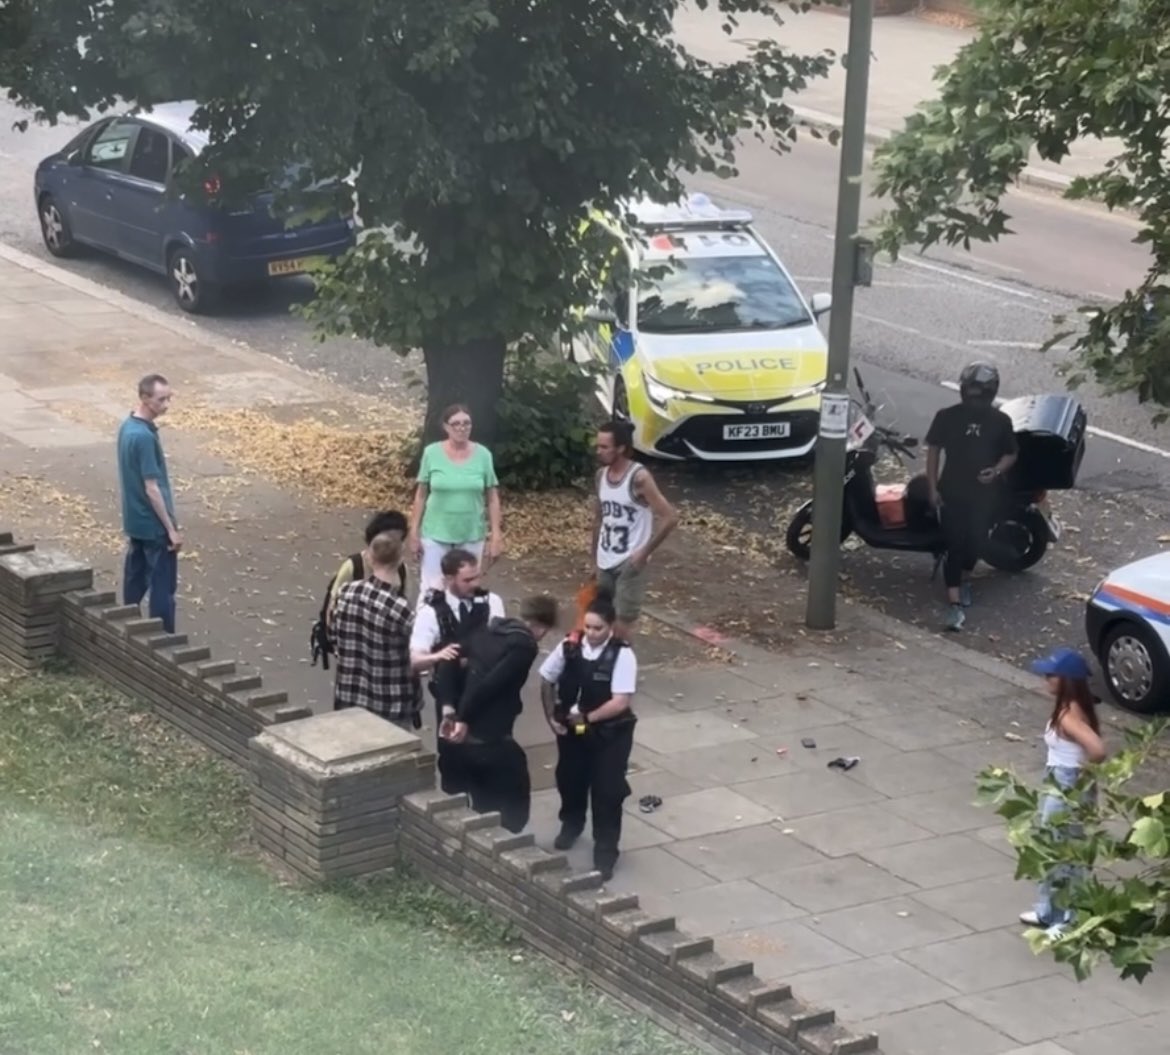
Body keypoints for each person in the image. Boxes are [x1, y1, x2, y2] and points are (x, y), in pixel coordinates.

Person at [539, 592, 638, 880]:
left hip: (609, 735)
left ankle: (605, 853)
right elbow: (546, 678)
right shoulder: (569, 647)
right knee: (570, 780)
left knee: (607, 792)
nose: (592, 634)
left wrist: (587, 718)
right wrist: (551, 718)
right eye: (589, 627)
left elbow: (620, 701)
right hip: (572, 731)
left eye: (599, 629)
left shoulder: (622, 654)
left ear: (610, 627)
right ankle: (571, 824)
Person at [440, 594, 559, 833]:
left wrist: (448, 706)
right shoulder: (524, 646)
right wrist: (463, 717)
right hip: (490, 737)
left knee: (483, 802)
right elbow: (491, 684)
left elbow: (448, 658)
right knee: (514, 804)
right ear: (541, 626)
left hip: (466, 744)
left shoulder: (490, 630)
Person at [924, 363, 1018, 632]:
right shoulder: (947, 417)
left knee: (976, 540)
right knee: (954, 541)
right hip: (952, 489)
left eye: (980, 393)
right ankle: (953, 600)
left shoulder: (1001, 422)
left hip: (985, 494)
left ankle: (964, 579)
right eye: (971, 391)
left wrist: (996, 471)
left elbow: (1011, 453)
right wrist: (932, 488)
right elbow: (933, 451)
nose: (974, 398)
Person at [1019, 647, 1106, 934]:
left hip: (1065, 785)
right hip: (1060, 780)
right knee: (1053, 846)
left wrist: (1080, 777)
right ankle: (1049, 911)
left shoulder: (1068, 716)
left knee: (1061, 851)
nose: (1045, 679)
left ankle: (1066, 919)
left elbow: (1097, 750)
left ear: (1065, 680)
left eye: (1050, 675)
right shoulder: (1073, 708)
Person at [409, 549, 506, 780]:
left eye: (477, 577)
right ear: (449, 579)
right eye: (467, 580)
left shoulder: (492, 603)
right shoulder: (431, 612)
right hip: (450, 696)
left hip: (486, 692)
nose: (475, 584)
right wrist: (439, 657)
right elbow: (415, 660)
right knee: (453, 765)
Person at [590, 420, 678, 640]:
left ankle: (620, 666)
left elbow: (670, 517)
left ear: (620, 448)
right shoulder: (601, 476)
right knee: (599, 618)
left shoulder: (639, 478)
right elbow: (599, 518)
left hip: (629, 559)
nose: (598, 451)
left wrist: (644, 552)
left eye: (604, 447)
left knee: (622, 624)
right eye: (597, 446)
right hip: (605, 557)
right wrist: (593, 557)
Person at [331, 532, 423, 731]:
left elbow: (333, 635)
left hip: (350, 698)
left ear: (370, 558)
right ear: (400, 560)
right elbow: (417, 657)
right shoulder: (401, 609)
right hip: (391, 705)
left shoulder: (346, 592)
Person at [409, 403, 503, 593]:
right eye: (456, 424)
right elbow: (421, 494)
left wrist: (496, 535)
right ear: (446, 427)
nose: (462, 428)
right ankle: (427, 622)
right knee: (432, 588)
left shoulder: (483, 455)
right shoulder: (431, 453)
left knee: (467, 586)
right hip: (435, 531)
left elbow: (492, 497)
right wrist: (413, 532)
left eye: (466, 423)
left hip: (470, 531)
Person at [117, 373, 181, 634]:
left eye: (169, 398)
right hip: (153, 524)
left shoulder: (127, 427)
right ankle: (164, 638)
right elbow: (152, 487)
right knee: (162, 587)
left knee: (135, 578)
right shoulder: (144, 437)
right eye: (161, 399)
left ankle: (126, 622)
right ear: (144, 398)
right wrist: (171, 528)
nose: (166, 405)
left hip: (135, 520)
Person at [325, 510, 409, 632]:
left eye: (400, 540)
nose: (396, 545)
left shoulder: (402, 570)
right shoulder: (354, 566)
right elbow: (332, 607)